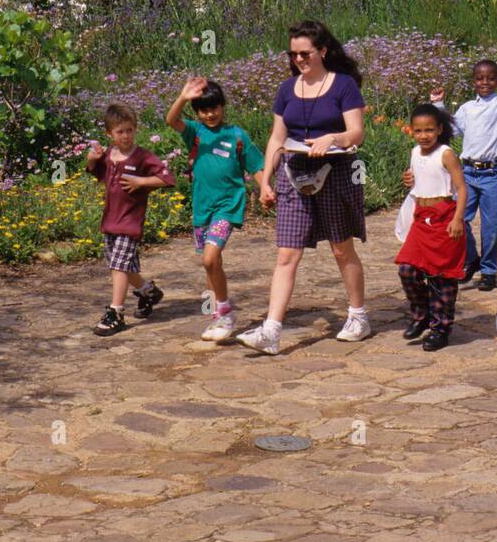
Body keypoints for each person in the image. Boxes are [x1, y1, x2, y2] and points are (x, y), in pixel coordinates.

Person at [238, 21, 367, 356]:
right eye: (293, 54)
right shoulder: (286, 89)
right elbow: (277, 139)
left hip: (335, 172)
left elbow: (356, 133)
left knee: (341, 249)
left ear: (322, 51)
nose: (299, 59)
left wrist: (332, 138)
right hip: (294, 175)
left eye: (305, 53)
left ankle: (358, 316)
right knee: (286, 254)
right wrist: (266, 179)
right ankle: (272, 330)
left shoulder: (344, 85)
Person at [421, 44, 497, 291]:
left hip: (493, 173)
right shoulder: (467, 109)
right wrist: (438, 104)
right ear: (473, 82)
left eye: (491, 78)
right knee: (459, 217)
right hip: (468, 173)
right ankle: (471, 258)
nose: (485, 82)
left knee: (491, 226)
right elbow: (450, 130)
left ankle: (489, 270)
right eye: (480, 78)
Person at [166, 77, 265, 342]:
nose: (210, 114)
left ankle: (225, 311)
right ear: (197, 112)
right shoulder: (195, 133)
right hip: (202, 208)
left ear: (223, 106)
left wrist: (266, 188)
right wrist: (183, 97)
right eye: (203, 110)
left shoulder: (237, 136)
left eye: (214, 108)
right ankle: (218, 318)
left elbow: (256, 166)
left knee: (209, 259)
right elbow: (171, 120)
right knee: (212, 265)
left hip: (227, 206)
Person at [86, 102, 174, 336]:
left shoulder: (143, 157)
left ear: (135, 129)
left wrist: (141, 182)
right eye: (119, 131)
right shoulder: (108, 156)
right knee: (124, 267)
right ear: (109, 134)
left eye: (129, 130)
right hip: (111, 221)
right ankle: (148, 291)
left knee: (118, 266)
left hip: (130, 222)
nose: (125, 136)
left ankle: (116, 313)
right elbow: (96, 173)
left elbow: (166, 178)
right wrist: (92, 160)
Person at [396, 104, 468, 351]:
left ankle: (441, 327)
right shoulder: (415, 152)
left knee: (441, 277)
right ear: (412, 131)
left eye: (429, 130)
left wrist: (458, 219)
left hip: (444, 218)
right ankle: (421, 314)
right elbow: (419, 178)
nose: (424, 135)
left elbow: (461, 188)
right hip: (421, 218)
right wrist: (409, 178)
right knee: (408, 269)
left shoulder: (446, 154)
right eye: (419, 130)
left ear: (439, 129)